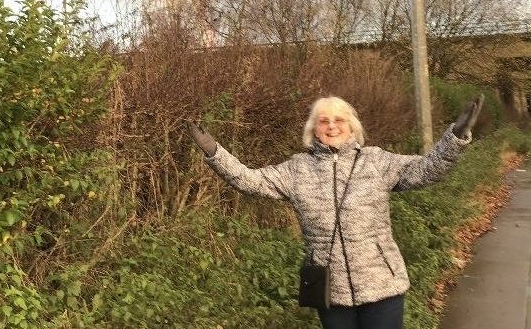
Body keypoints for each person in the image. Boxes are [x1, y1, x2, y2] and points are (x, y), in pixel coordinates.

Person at [187, 94, 484, 329]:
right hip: (332, 292)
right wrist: (214, 151)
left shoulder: (376, 162)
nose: (332, 126)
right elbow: (249, 181)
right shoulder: (296, 170)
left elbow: (427, 170)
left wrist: (455, 137)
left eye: (339, 120)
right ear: (313, 129)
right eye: (324, 121)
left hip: (382, 285)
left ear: (352, 126)